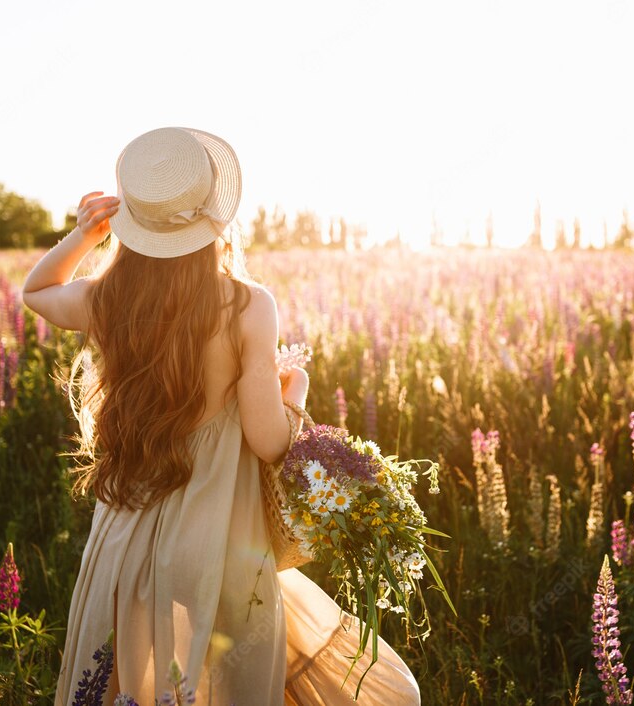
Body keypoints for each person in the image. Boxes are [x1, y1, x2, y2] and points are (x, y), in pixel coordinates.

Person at [21, 126, 420, 706]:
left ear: (134, 224)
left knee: (130, 677)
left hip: (127, 530)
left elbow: (38, 292)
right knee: (234, 672)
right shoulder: (247, 305)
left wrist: (84, 235)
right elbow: (267, 440)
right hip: (219, 531)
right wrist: (297, 391)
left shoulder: (108, 300)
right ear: (212, 222)